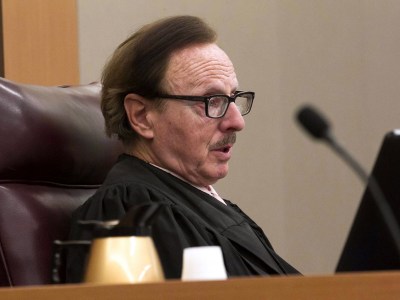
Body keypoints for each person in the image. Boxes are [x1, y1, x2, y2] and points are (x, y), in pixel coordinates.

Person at [66, 15, 299, 282]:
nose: (237, 122)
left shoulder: (197, 201)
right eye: (211, 100)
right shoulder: (130, 214)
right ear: (142, 116)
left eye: (233, 98)